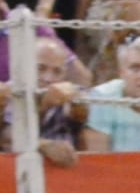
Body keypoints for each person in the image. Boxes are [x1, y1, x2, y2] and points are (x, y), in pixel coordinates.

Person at [0, 37, 85, 166]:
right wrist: (42, 145)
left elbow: (85, 133)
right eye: (40, 68)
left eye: (57, 71)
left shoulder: (70, 93)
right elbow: (7, 138)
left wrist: (79, 108)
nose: (48, 78)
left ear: (65, 73)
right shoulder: (11, 92)